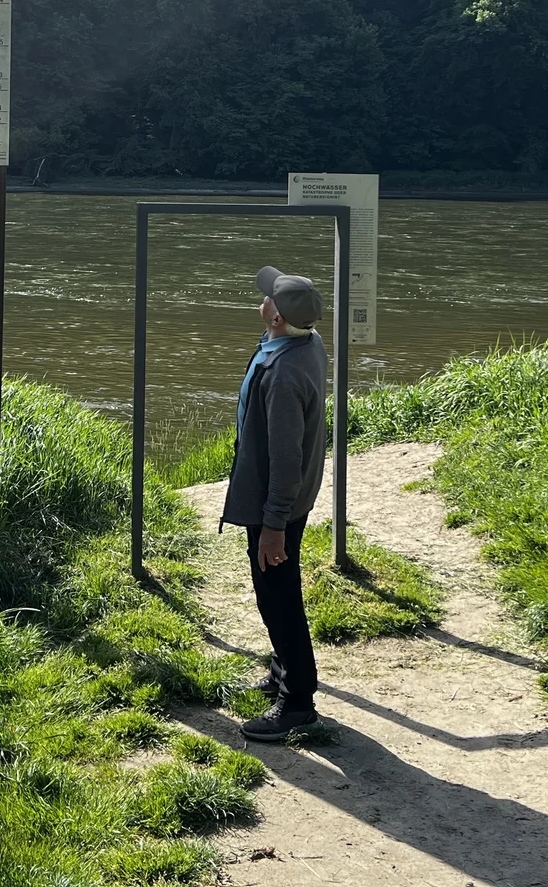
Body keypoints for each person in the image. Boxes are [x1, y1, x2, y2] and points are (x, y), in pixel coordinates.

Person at [221, 264, 329, 742]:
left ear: (278, 319)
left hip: (278, 503)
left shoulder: (285, 374)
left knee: (278, 593)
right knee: (275, 587)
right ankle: (285, 670)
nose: (261, 299)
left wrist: (272, 526)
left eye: (269, 299)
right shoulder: (304, 342)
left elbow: (285, 459)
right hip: (288, 498)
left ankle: (298, 701)